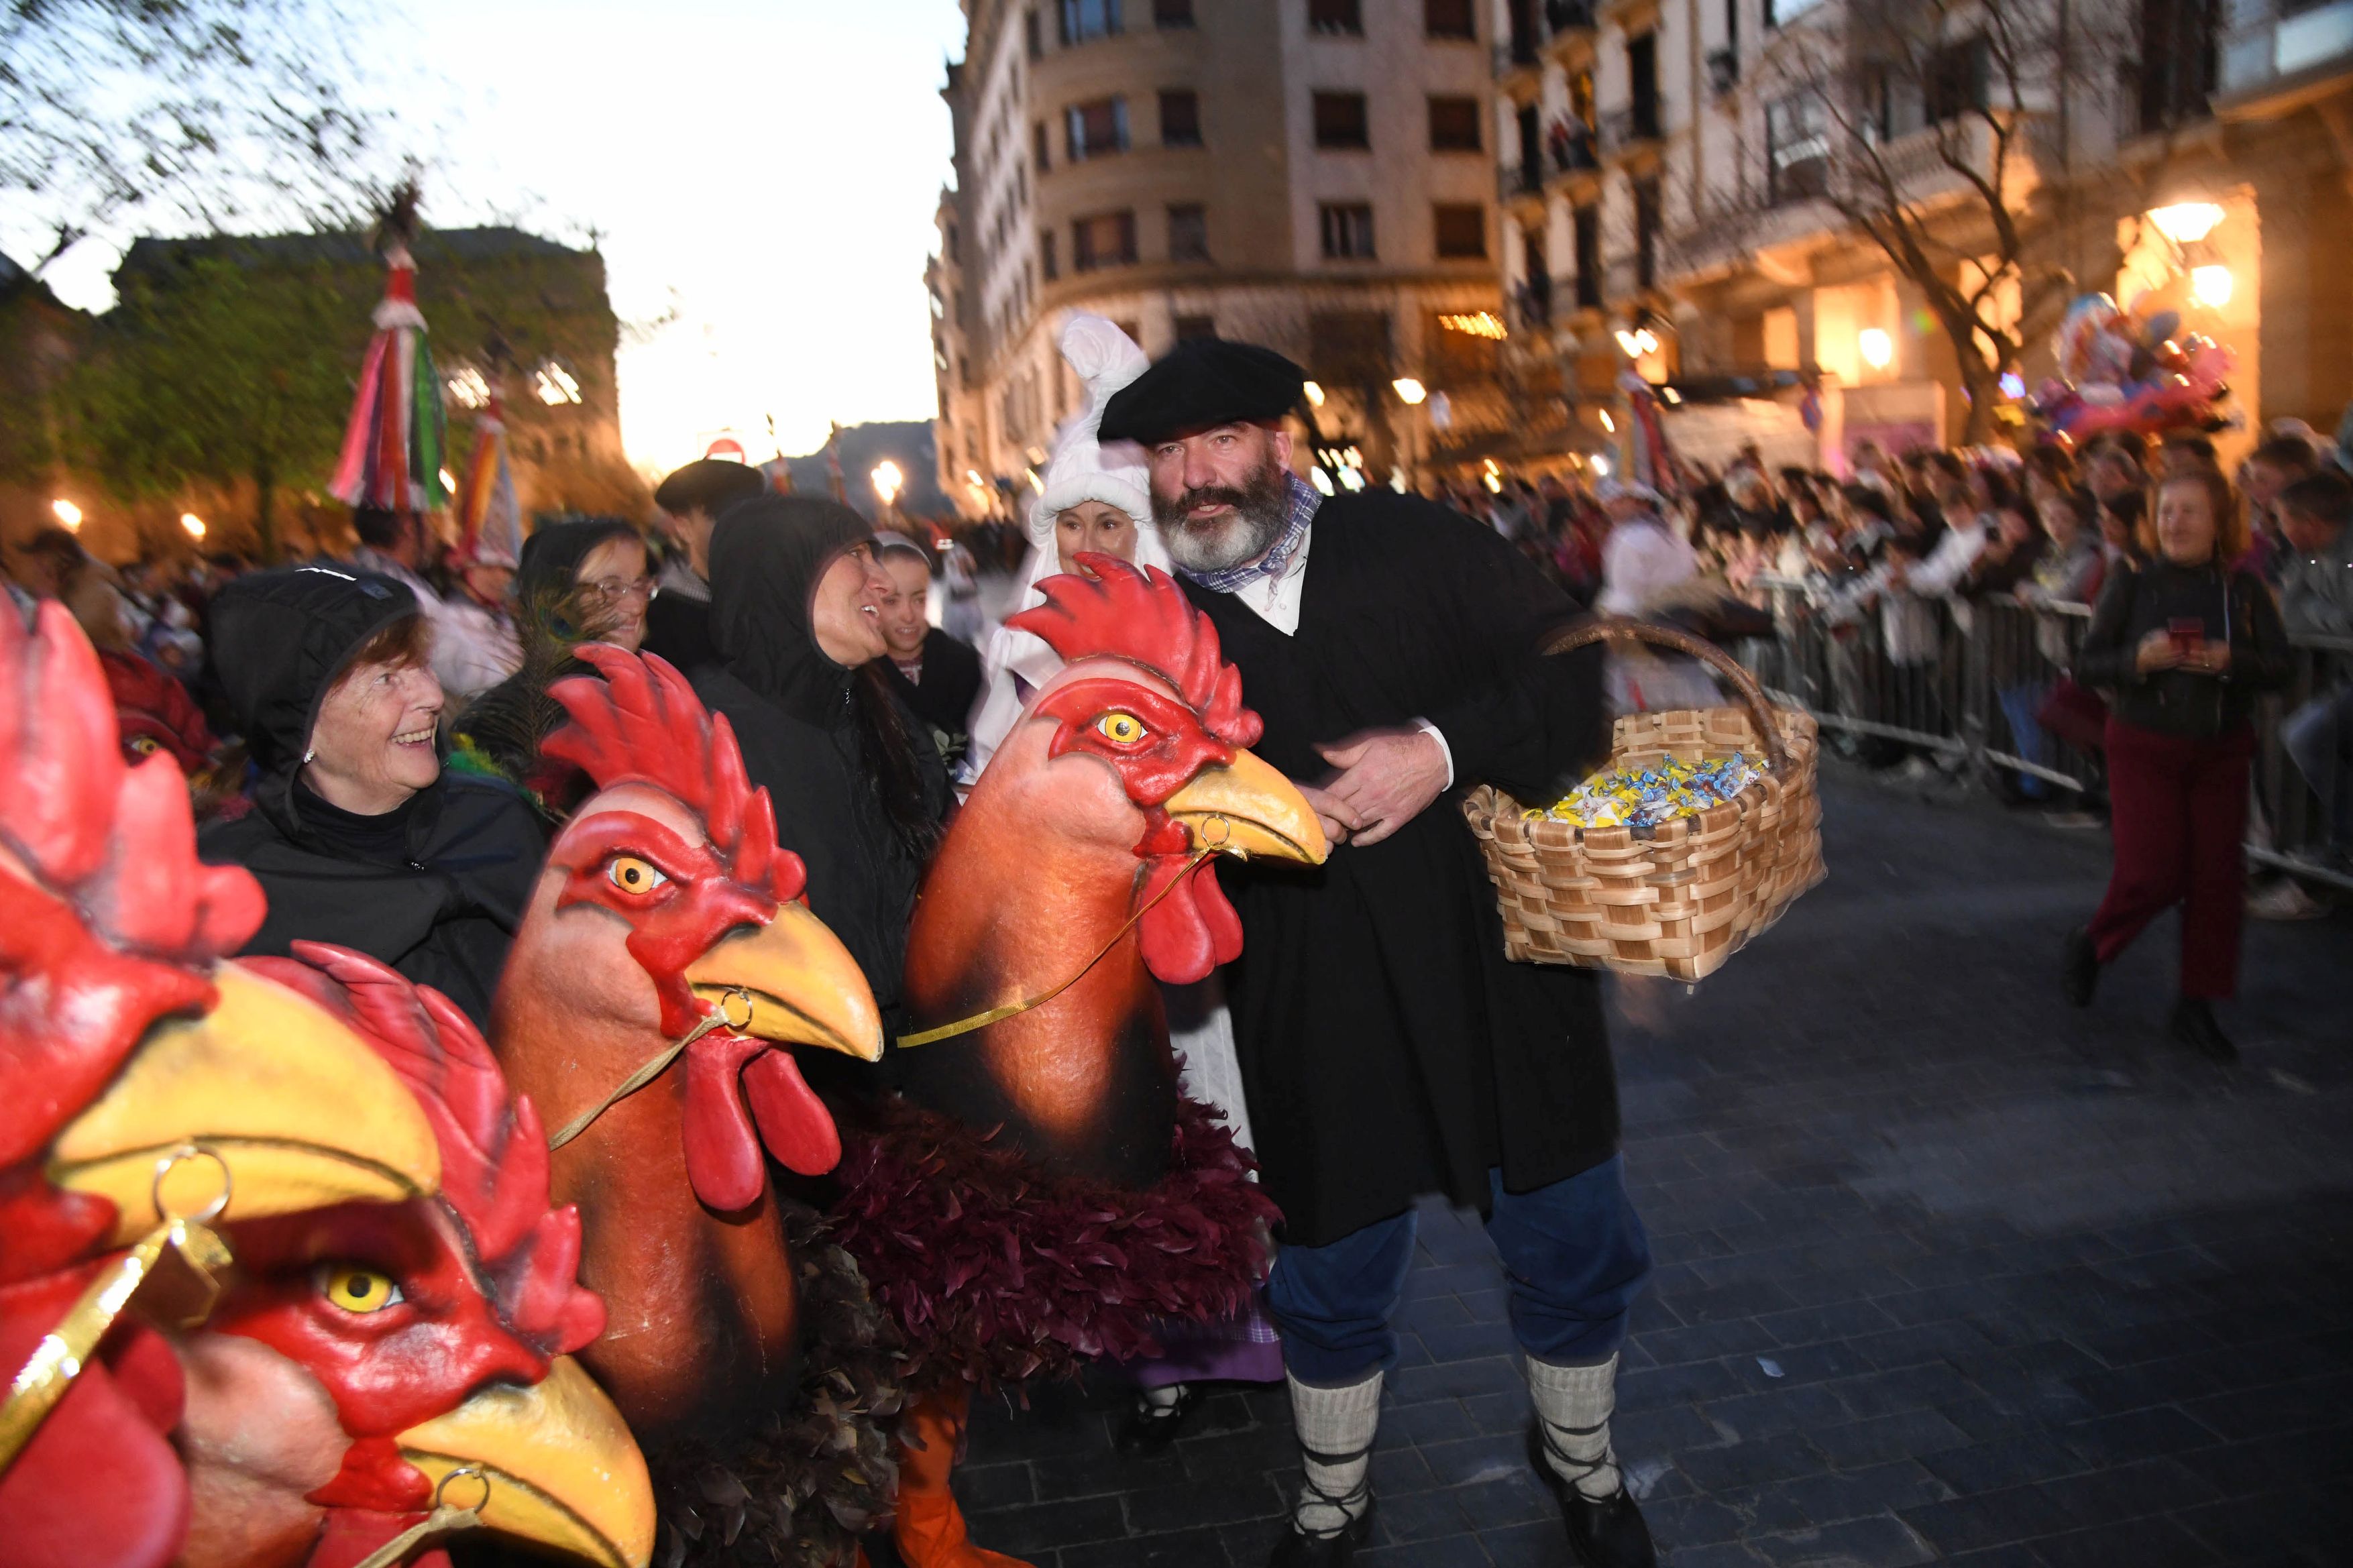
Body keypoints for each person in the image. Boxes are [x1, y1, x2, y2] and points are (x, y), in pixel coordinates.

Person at [1097, 337, 1652, 1568]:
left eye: (1221, 441)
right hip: (1303, 978)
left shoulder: (1417, 541)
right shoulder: (1156, 623)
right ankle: (1331, 1498)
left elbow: (1573, 672)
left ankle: (1586, 1465)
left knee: (1566, 1222)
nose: (1195, 476)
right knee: (1330, 1254)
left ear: (1280, 446)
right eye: (1171, 454)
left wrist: (1439, 750)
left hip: (1500, 950)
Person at [199, 564, 547, 1028]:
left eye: (422, 665)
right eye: (385, 679)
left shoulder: (495, 817)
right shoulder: (245, 892)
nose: (431, 694)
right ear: (301, 728)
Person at [2063, 468, 2293, 1060]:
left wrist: (2228, 660)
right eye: (2167, 512)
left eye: (2190, 512)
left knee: (2217, 882)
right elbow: (2088, 664)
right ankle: (2093, 944)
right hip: (2144, 743)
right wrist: (2137, 660)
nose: (2175, 523)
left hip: (2220, 747)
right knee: (2152, 872)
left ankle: (2198, 1006)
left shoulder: (2242, 590)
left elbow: (2279, 667)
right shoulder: (2132, 581)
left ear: (2220, 521)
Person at [690, 496, 950, 1019]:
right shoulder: (709, 737)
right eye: (858, 555)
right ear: (783, 570)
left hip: (912, 1047)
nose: (882, 581)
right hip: (801, 1068)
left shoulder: (881, 711)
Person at [449, 517, 651, 812]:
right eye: (610, 587)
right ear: (555, 598)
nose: (636, 605)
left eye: (640, 584)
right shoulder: (498, 727)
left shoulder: (649, 693)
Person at [2250, 469, 2353, 914]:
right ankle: (2341, 846)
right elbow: (2289, 613)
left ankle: (2342, 848)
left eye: (2285, 520)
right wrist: (2327, 614)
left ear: (2309, 521)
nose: (2280, 530)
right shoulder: (2312, 557)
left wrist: (2323, 615)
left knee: (2310, 736)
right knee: (2306, 735)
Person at [348, 504, 518, 706]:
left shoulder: (353, 576)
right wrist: (521, 698)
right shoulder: (406, 597)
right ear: (408, 527)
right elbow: (465, 668)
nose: (432, 533)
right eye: (429, 523)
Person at [647, 457, 767, 673]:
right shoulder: (662, 623)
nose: (739, 528)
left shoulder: (778, 596)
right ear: (684, 528)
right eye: (721, 517)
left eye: (748, 514)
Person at [873, 533, 983, 758]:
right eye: (891, 601)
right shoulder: (862, 675)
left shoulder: (962, 662)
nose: (908, 615)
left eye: (918, 599)